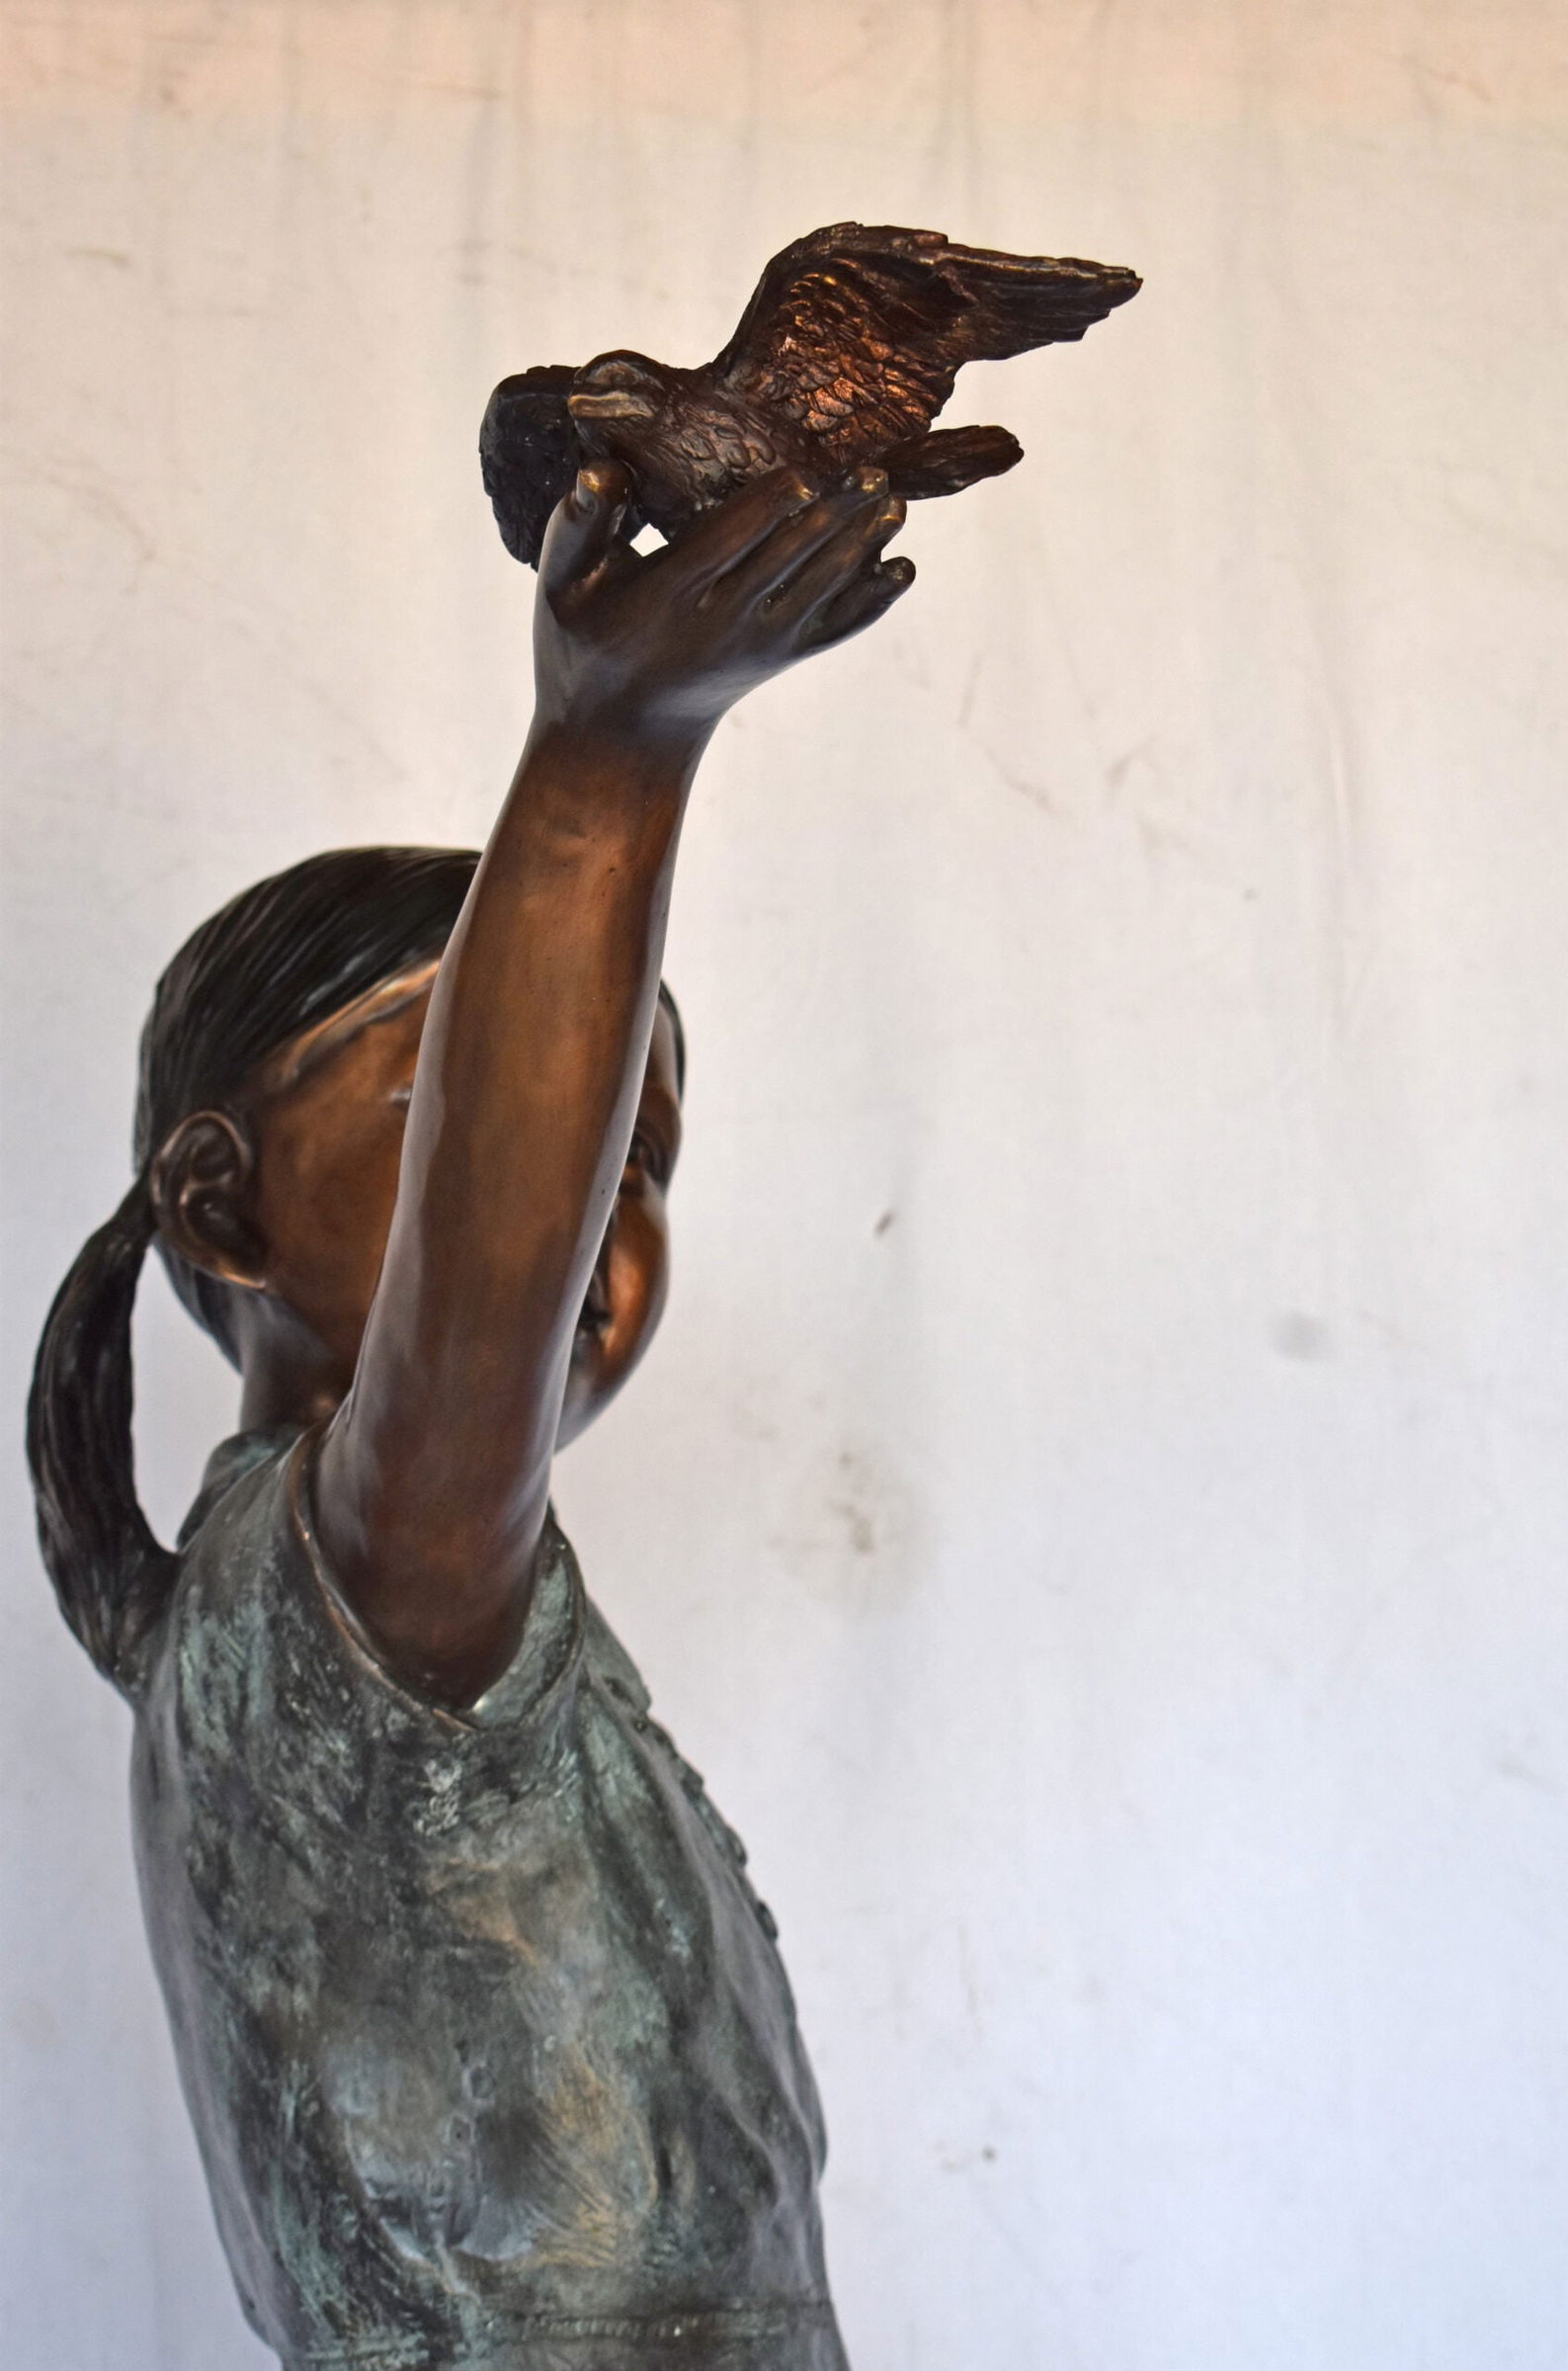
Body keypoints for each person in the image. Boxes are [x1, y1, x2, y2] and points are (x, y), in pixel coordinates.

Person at [27, 459, 912, 2371]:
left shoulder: (328, 1629)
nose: (591, 1206)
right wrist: (611, 756)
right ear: (219, 1200)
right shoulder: (349, 1605)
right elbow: (478, 1308)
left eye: (638, 1152)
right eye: (495, 1123)